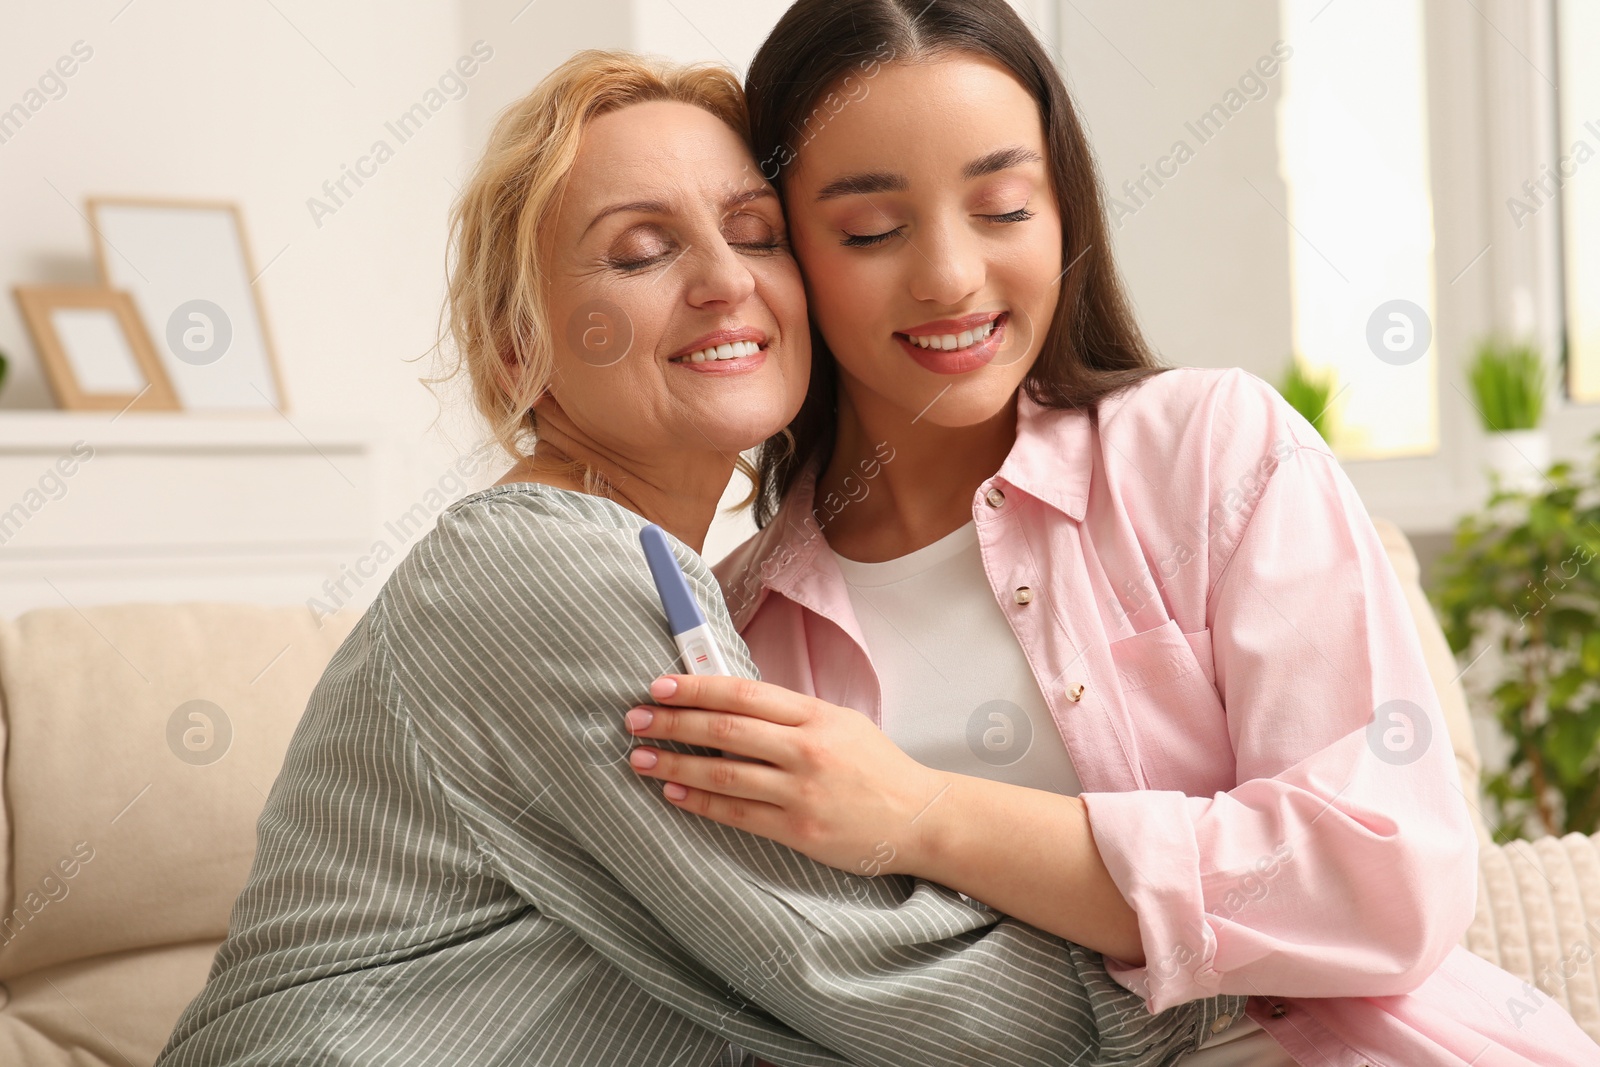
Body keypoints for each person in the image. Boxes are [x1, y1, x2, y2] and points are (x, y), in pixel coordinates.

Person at [154, 49, 1240, 1067]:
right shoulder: (537, 573)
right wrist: (1228, 977)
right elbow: (860, 972)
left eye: (757, 233)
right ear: (519, 350)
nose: (725, 280)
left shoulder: (699, 585)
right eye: (640, 250)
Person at [618, 2, 1600, 1064]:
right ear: (785, 253)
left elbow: (1387, 876)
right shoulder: (745, 630)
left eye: (1001, 207)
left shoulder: (1212, 452)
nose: (949, 275)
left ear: (1063, 211)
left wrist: (922, 812)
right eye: (870, 230)